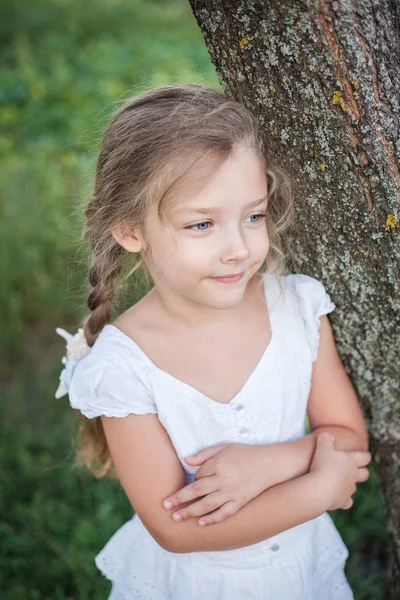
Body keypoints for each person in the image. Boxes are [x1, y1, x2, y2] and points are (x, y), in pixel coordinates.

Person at [55, 84, 372, 600]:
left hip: (301, 573)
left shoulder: (295, 309)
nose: (239, 249)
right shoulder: (123, 366)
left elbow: (349, 437)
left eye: (253, 215)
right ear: (131, 230)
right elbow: (175, 529)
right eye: (202, 224)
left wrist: (272, 462)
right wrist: (316, 487)